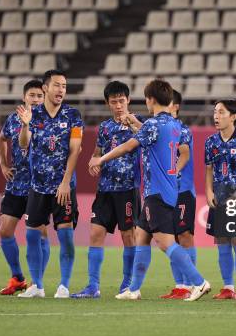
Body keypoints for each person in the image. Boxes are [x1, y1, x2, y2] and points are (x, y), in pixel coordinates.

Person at [89, 79, 210, 301]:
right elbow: (148, 134)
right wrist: (135, 122)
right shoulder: (173, 125)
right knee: (141, 237)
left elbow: (128, 146)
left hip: (157, 192)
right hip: (164, 190)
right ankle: (133, 289)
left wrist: (100, 158)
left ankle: (199, 282)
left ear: (150, 100)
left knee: (165, 243)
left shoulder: (154, 125)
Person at [15, 70, 83, 298]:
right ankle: (37, 286)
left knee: (66, 236)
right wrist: (25, 126)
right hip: (37, 187)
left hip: (63, 188)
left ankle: (64, 285)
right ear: (45, 88)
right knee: (32, 236)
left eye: (64, 86)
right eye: (57, 85)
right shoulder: (32, 115)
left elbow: (75, 151)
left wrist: (65, 182)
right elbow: (24, 145)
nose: (61, 90)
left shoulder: (73, 115)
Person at [70, 81, 140, 298]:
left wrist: (135, 123)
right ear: (107, 103)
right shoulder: (105, 127)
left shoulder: (141, 124)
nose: (118, 105)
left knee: (128, 236)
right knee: (95, 232)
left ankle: (128, 284)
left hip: (128, 188)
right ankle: (93, 286)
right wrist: (93, 159)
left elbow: (148, 139)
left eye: (121, 101)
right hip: (105, 189)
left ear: (128, 100)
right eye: (114, 102)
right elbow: (98, 151)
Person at [0, 79, 45, 295]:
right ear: (24, 97)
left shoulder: (47, 120)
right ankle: (17, 278)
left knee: (40, 233)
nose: (35, 99)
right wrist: (3, 164)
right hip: (16, 184)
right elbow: (2, 139)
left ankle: (37, 283)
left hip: (39, 185)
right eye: (32, 96)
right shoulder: (13, 119)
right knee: (5, 230)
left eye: (39, 96)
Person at [205, 100, 236, 301]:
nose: (216, 116)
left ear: (233, 116)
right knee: (222, 243)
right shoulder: (210, 141)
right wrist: (208, 192)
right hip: (218, 196)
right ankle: (227, 287)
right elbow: (208, 170)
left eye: (221, 112)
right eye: (215, 112)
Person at [160, 90, 197, 300]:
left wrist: (171, 173)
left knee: (185, 236)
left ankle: (193, 284)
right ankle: (180, 285)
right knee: (171, 238)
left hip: (182, 190)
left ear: (176, 107)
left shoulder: (183, 130)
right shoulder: (159, 129)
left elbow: (185, 154)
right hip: (165, 191)